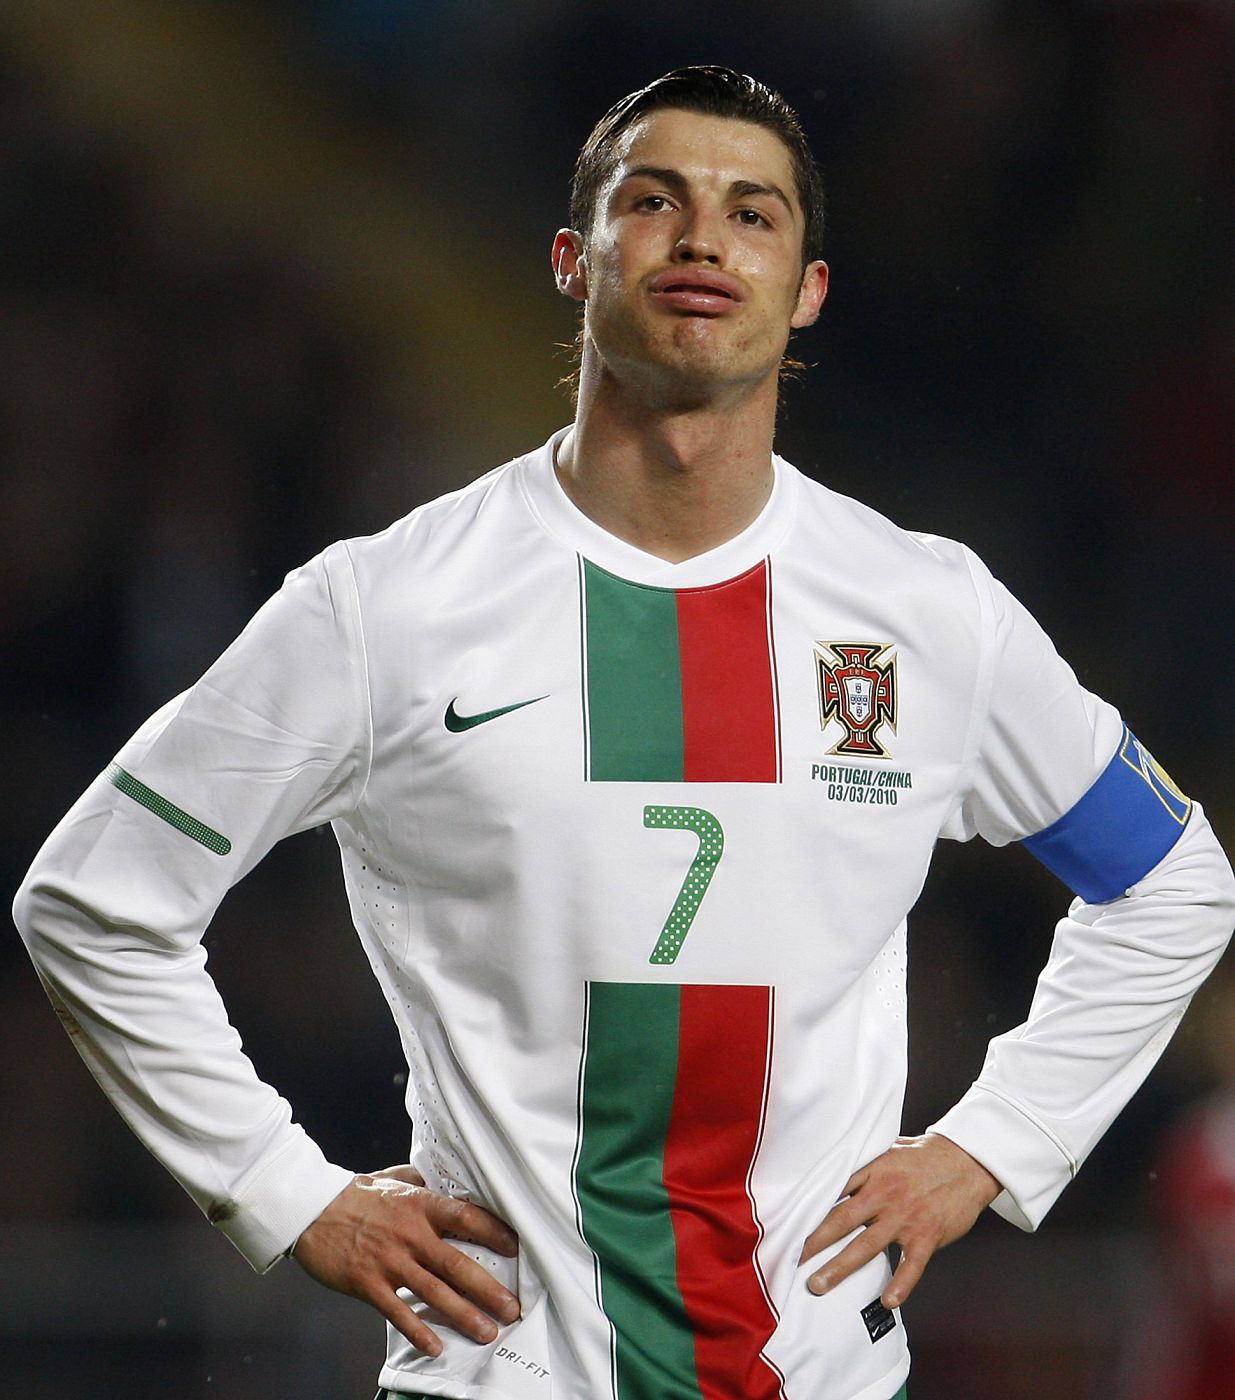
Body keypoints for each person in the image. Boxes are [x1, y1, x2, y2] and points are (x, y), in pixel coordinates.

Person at [14, 66, 1235, 1400]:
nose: (706, 238)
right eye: (655, 202)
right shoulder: (388, 609)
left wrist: (992, 1144)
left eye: (752, 213)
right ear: (571, 264)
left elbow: (1170, 881)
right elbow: (95, 900)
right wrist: (284, 1191)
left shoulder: (928, 615)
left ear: (810, 287)